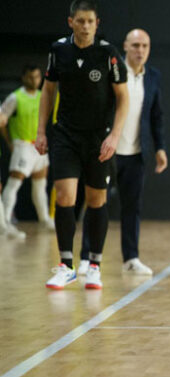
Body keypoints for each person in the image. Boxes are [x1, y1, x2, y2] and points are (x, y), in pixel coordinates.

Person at [36, 0, 129, 289]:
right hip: (65, 134)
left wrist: (114, 136)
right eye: (80, 21)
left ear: (97, 23)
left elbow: (123, 98)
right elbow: (48, 91)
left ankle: (95, 264)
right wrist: (42, 131)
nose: (85, 26)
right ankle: (66, 264)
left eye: (90, 21)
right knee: (64, 196)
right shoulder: (59, 50)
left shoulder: (108, 54)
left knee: (96, 200)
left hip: (98, 137)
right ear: (71, 22)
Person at [78, 28, 166, 276]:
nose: (140, 50)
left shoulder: (153, 77)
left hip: (137, 154)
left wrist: (160, 148)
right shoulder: (114, 73)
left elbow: (156, 115)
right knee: (97, 203)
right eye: (135, 45)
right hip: (109, 151)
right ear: (125, 47)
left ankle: (131, 258)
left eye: (145, 46)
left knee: (132, 207)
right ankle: (86, 257)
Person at [0, 64, 54, 235]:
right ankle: (6, 222)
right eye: (31, 77)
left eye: (37, 77)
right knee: (14, 183)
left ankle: (44, 219)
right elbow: (2, 120)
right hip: (22, 145)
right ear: (24, 77)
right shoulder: (15, 97)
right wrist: (10, 142)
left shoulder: (43, 96)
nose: (34, 80)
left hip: (39, 146)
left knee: (40, 184)